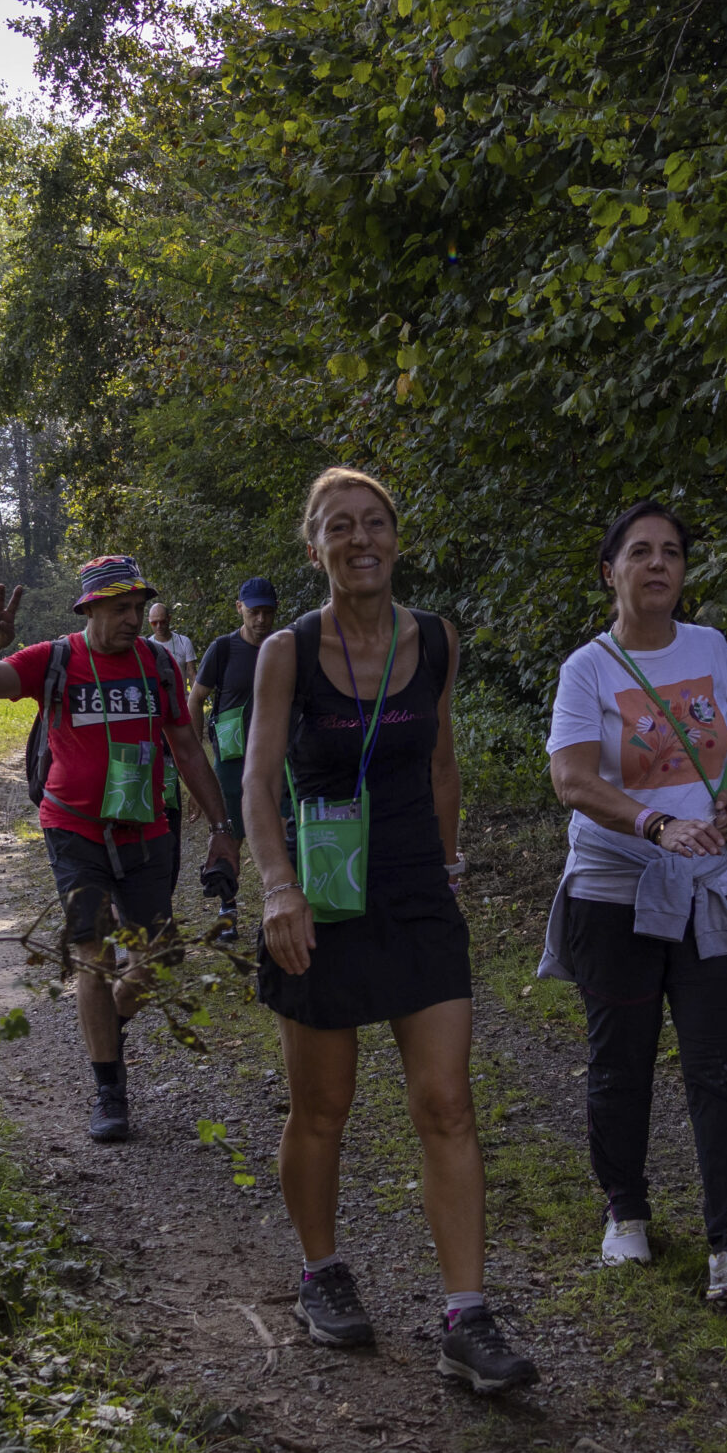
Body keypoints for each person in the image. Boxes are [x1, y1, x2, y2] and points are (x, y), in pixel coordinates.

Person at [244, 467, 537, 1394]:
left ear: (396, 539)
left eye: (374, 523)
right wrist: (278, 887)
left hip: (415, 893)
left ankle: (467, 1316)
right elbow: (257, 780)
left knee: (447, 1102)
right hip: (321, 896)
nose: (360, 539)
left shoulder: (436, 639)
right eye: (339, 526)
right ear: (314, 548)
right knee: (323, 1107)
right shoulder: (288, 651)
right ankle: (322, 1272)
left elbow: (443, 762)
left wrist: (448, 869)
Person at [537, 501, 727, 1303]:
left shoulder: (709, 646)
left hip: (710, 888)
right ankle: (626, 1209)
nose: (658, 564)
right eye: (641, 552)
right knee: (621, 1062)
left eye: (672, 552)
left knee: (720, 1066)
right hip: (615, 892)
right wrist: (656, 823)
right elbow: (571, 778)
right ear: (609, 571)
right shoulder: (587, 669)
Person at [0, 558, 236, 1143]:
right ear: (90, 610)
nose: (135, 619)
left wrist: (222, 826)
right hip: (73, 829)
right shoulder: (54, 660)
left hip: (146, 830)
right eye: (121, 608)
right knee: (94, 957)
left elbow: (185, 745)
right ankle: (109, 1089)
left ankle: (107, 1025)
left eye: (139, 608)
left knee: (159, 957)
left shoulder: (158, 664)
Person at [190, 577, 281, 938]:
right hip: (232, 760)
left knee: (282, 832)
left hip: (278, 757)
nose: (261, 619)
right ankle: (227, 908)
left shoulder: (285, 645)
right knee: (230, 834)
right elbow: (196, 698)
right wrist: (195, 755)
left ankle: (278, 907)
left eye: (268, 612)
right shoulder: (224, 649)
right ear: (239, 608)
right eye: (254, 611)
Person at [143, 603, 197, 899]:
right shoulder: (147, 647)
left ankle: (171, 800)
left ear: (170, 620)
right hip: (156, 715)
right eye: (154, 623)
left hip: (179, 711)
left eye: (163, 621)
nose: (159, 626)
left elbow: (191, 674)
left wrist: (192, 705)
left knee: (176, 761)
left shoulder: (182, 642)